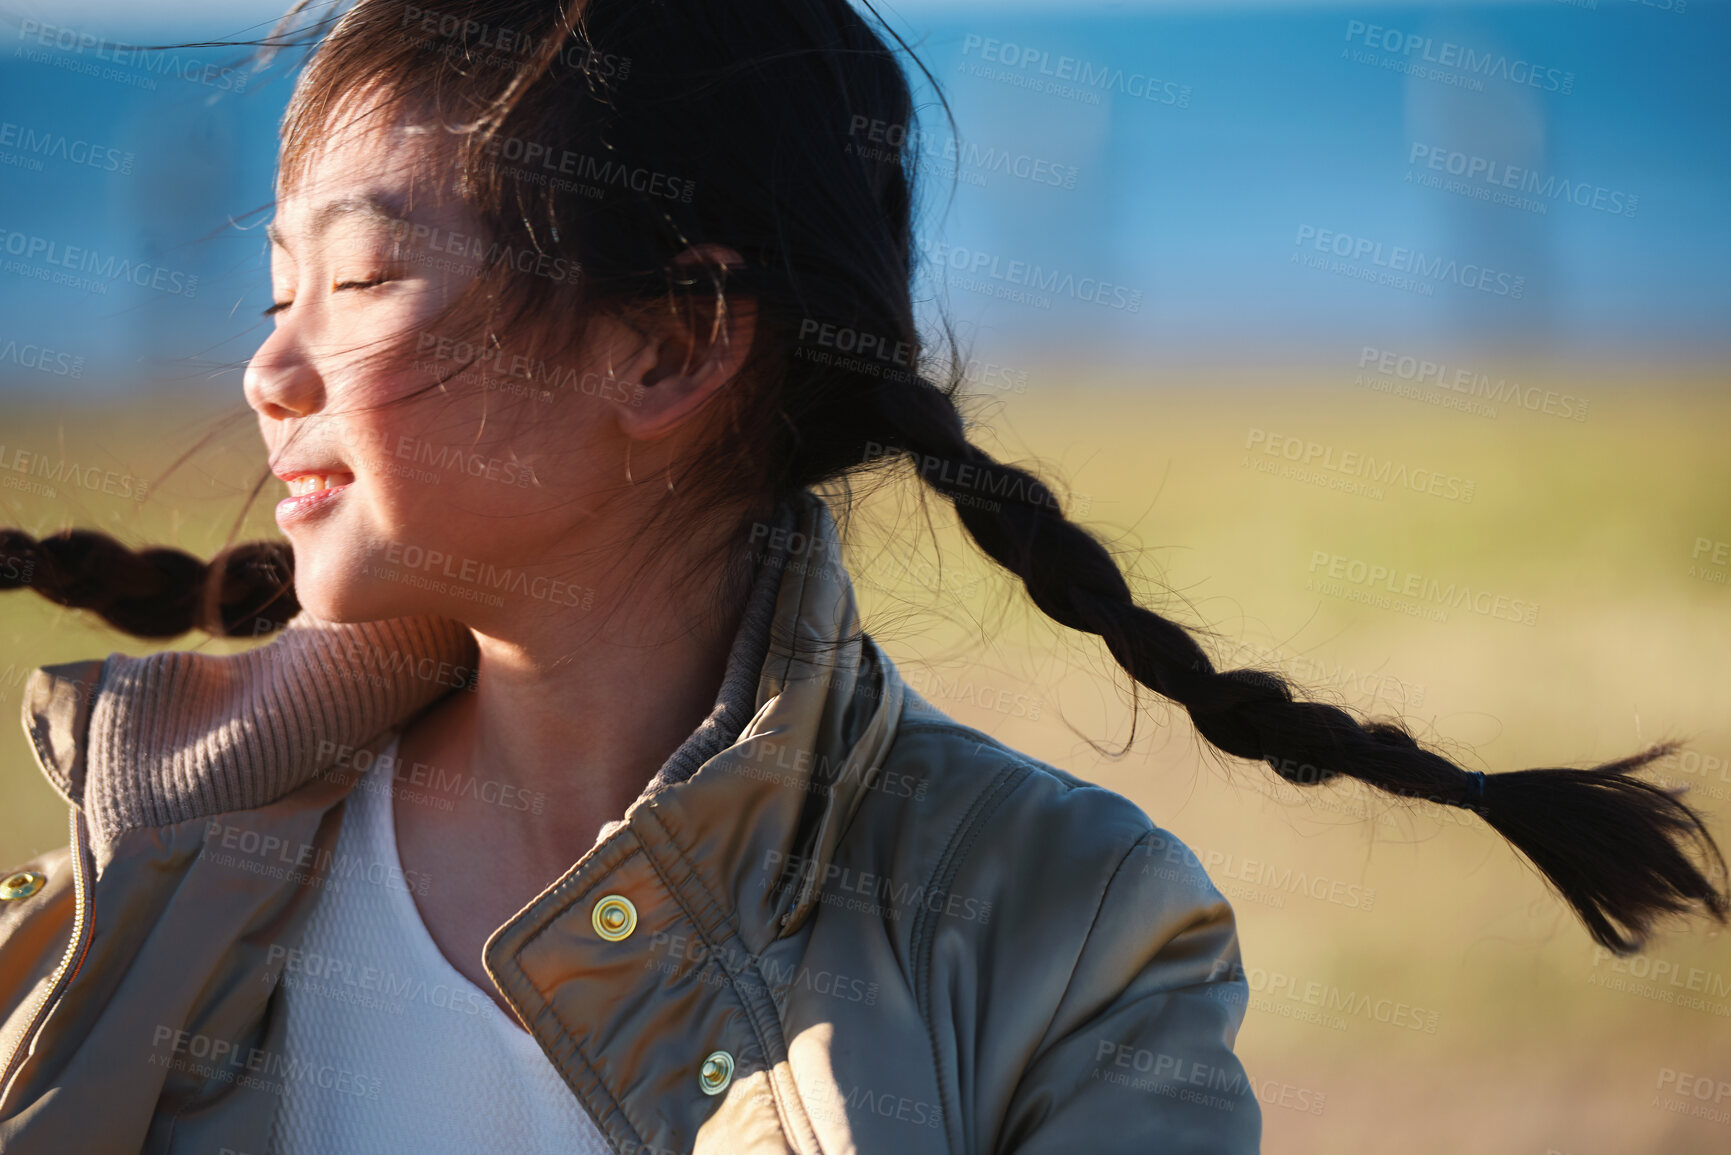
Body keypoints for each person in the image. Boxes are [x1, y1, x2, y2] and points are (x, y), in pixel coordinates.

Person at [0, 2, 1723, 1152]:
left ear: (671, 345)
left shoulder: (1066, 932)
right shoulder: (149, 853)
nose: (265, 373)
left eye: (358, 284)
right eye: (267, 290)